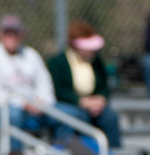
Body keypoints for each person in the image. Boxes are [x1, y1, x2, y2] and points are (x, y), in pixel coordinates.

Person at [0, 14, 70, 152]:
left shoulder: (31, 55)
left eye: (15, 32)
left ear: (22, 34)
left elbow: (45, 84)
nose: (11, 36)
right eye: (7, 32)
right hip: (3, 109)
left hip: (36, 106)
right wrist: (24, 104)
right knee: (14, 115)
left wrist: (43, 102)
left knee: (68, 114)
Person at [47, 20, 121, 148]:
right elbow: (59, 90)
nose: (91, 51)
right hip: (72, 104)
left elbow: (103, 86)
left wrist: (100, 99)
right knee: (80, 115)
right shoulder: (57, 62)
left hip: (94, 105)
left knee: (110, 117)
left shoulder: (97, 62)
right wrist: (81, 101)